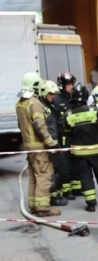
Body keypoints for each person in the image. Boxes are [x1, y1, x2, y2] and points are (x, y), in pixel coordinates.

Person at [63, 84, 98, 212]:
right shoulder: (94, 111)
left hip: (80, 154)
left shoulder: (68, 114)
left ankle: (91, 204)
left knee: (86, 177)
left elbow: (67, 131)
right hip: (97, 151)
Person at [16, 72, 60, 217]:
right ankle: (43, 208)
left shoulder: (20, 103)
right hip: (39, 147)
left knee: (34, 177)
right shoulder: (35, 103)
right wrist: (50, 143)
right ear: (36, 86)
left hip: (29, 147)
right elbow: (40, 126)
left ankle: (34, 206)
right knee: (43, 175)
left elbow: (20, 125)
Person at [38, 80, 70, 206]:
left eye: (53, 94)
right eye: (50, 94)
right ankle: (54, 197)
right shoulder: (44, 108)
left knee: (60, 169)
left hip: (56, 143)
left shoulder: (50, 106)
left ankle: (58, 193)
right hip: (51, 145)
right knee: (54, 171)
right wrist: (52, 144)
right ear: (43, 93)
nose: (53, 96)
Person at [55, 72, 81, 199]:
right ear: (62, 85)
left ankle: (77, 188)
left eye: (72, 84)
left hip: (75, 135)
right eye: (68, 85)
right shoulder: (57, 99)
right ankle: (67, 190)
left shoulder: (74, 98)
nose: (71, 87)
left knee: (76, 162)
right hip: (63, 136)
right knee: (65, 164)